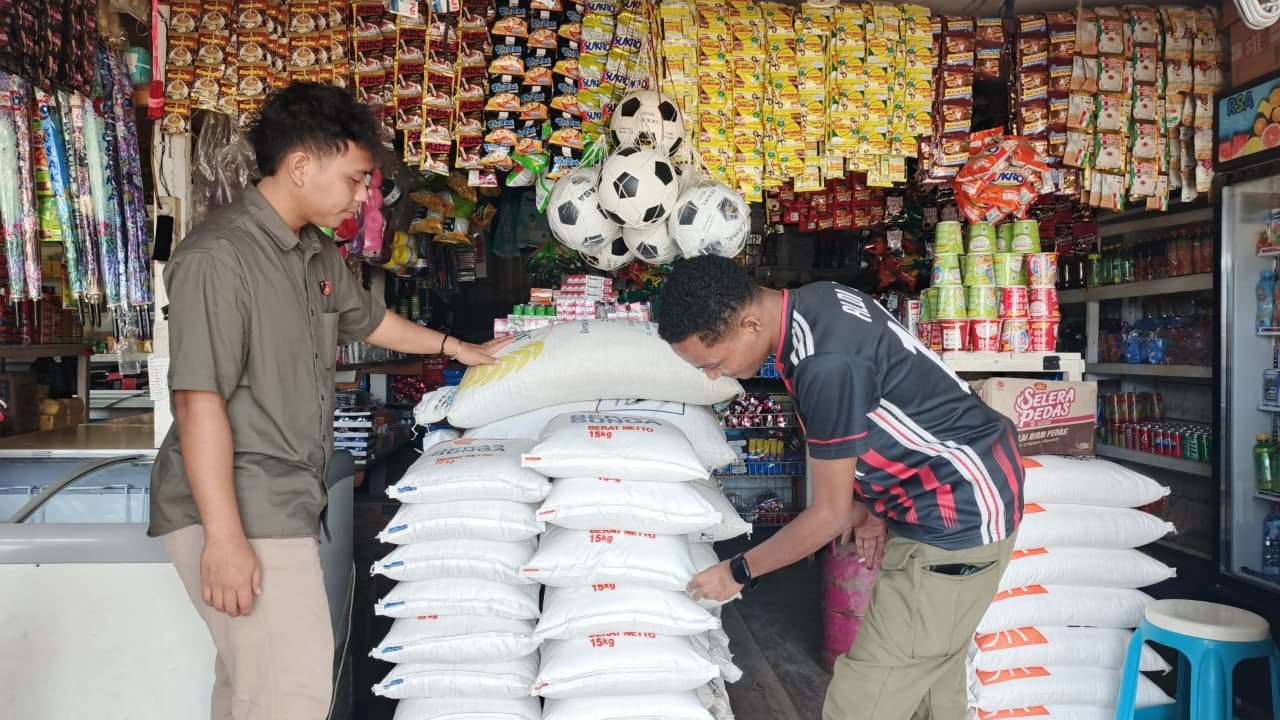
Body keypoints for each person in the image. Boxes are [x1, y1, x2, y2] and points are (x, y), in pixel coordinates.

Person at [148, 82, 511, 720]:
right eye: (355, 178)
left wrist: (458, 347)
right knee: (293, 696)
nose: (364, 195)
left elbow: (369, 320)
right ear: (300, 166)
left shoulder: (313, 250)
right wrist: (223, 539)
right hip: (241, 505)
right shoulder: (219, 258)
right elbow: (199, 404)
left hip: (282, 499)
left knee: (251, 691)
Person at [658, 256, 1024, 720]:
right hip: (954, 490)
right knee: (931, 685)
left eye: (713, 363)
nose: (714, 376)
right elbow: (882, 408)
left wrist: (738, 571)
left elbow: (828, 516)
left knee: (861, 703)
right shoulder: (817, 301)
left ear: (750, 324)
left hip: (956, 513)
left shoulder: (823, 363)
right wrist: (872, 505)